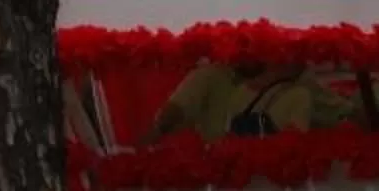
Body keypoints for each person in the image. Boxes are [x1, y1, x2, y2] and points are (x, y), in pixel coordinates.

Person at [151, 60, 361, 140]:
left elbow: (345, 112)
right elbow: (171, 114)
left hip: (288, 187)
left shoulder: (297, 80)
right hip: (224, 184)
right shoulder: (211, 76)